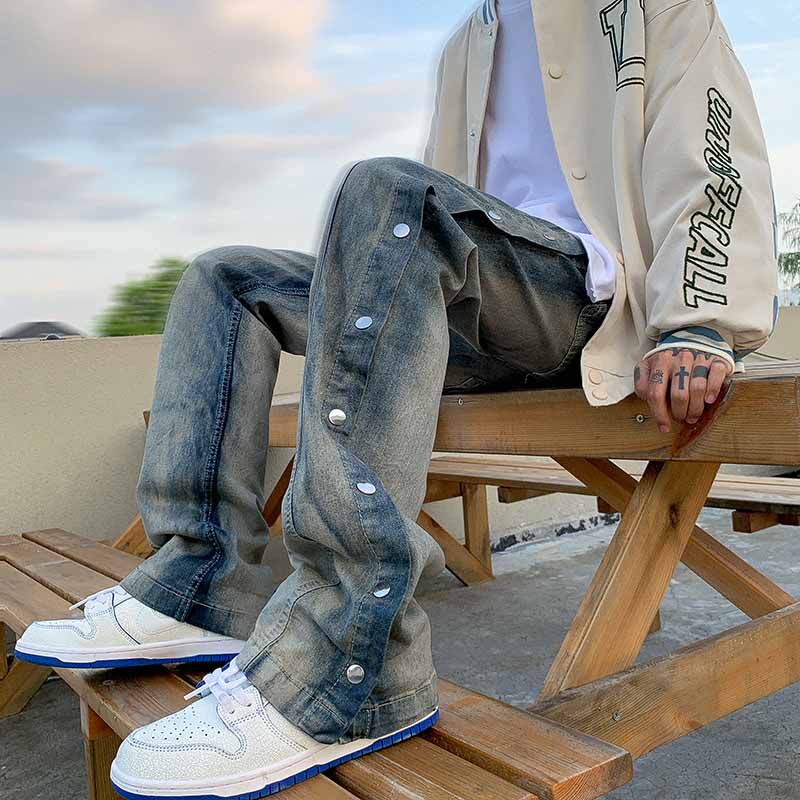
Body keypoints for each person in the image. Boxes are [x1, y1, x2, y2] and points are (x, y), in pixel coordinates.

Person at [15, 0, 778, 797]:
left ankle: (347, 663)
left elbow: (711, 149)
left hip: (592, 301)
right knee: (226, 276)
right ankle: (195, 584)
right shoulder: (470, 40)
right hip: (480, 304)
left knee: (390, 190)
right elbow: (443, 199)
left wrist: (698, 323)